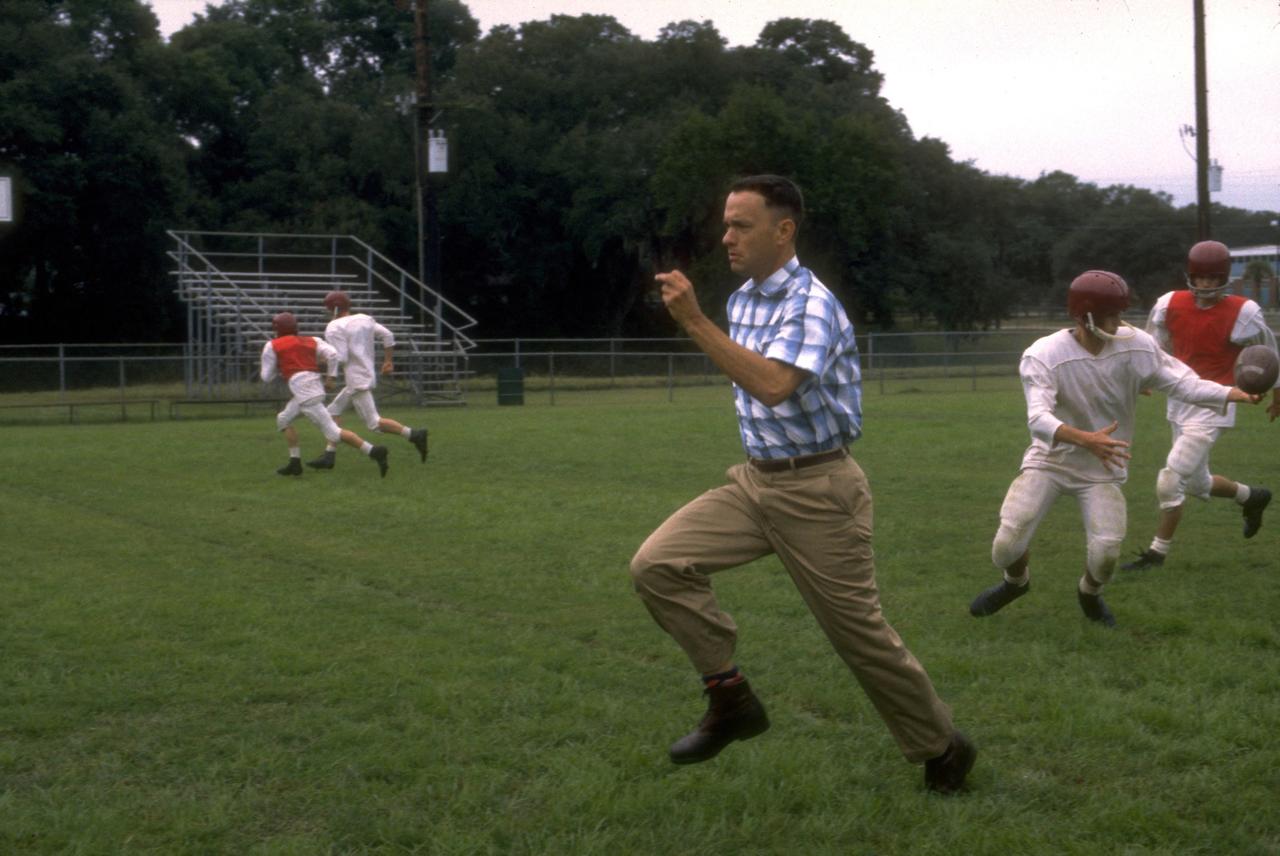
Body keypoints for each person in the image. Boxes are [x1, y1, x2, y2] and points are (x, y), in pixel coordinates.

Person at [628, 175, 976, 794]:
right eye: (726, 223)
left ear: (783, 231)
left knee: (860, 639)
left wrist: (693, 322)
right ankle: (730, 699)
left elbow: (772, 385)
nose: (726, 236)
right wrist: (711, 322)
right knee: (657, 564)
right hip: (754, 483)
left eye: (741, 225)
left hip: (820, 491)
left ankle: (943, 748)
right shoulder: (744, 301)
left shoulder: (812, 304)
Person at [969, 271, 1260, 627]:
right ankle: (1015, 583)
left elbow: (1184, 383)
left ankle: (1089, 594)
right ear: (1084, 316)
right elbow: (1038, 420)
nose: (1119, 322)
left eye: (1121, 313)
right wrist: (1086, 438)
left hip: (1102, 467)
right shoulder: (1043, 354)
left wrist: (1232, 393)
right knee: (1006, 545)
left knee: (1106, 553)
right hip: (1051, 462)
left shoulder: (1135, 345)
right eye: (1111, 315)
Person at [1122, 240, 1280, 570]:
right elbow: (1154, 347)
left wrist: (1276, 392)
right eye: (1200, 277)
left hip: (1216, 402)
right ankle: (1253, 497)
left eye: (1212, 278)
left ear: (1223, 277)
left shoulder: (1243, 311)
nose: (1206, 284)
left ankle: (1156, 554)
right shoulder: (1170, 304)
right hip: (1180, 398)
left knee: (1171, 477)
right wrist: (1144, 378)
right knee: (1196, 482)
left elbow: (1268, 352)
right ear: (1190, 276)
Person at [305, 290, 428, 470]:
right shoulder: (364, 318)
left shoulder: (334, 326)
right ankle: (329, 455)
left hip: (356, 379)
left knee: (374, 423)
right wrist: (388, 361)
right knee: (333, 411)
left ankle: (414, 435)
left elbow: (342, 357)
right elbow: (388, 336)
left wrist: (320, 360)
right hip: (365, 374)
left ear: (335, 308)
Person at [261, 311, 389, 478]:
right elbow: (333, 355)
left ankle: (374, 451)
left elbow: (266, 377)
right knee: (283, 419)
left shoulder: (273, 345)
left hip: (303, 391)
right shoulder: (312, 340)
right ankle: (295, 463)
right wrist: (331, 378)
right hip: (314, 385)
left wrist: (282, 365)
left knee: (334, 432)